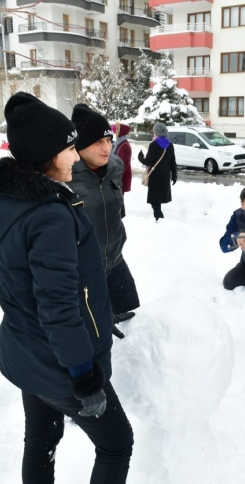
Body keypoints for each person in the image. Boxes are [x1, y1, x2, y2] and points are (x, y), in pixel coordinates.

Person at [0, 93, 133, 484]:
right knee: (116, 443)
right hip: (61, 364)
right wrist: (84, 376)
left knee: (41, 441)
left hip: (27, 352)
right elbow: (58, 305)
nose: (76, 157)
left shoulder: (7, 200)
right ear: (47, 152)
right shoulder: (49, 216)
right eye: (68, 148)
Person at [68, 104, 140, 328]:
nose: (106, 147)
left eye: (108, 140)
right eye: (98, 142)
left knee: (132, 322)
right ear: (79, 146)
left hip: (116, 260)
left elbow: (118, 209)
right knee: (95, 331)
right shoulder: (66, 176)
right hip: (85, 272)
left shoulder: (114, 167)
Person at [137, 122, 177, 221]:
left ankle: (159, 218)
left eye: (154, 132)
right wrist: (174, 174)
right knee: (157, 199)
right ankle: (158, 218)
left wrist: (140, 157)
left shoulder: (153, 145)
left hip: (155, 176)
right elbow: (173, 162)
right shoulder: (170, 145)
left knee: (154, 199)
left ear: (157, 133)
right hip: (165, 176)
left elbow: (148, 161)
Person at [111, 122, 133, 197]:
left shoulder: (125, 145)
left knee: (119, 201)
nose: (113, 133)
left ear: (119, 133)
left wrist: (116, 178)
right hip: (117, 177)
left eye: (114, 131)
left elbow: (124, 165)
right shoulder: (118, 144)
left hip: (120, 179)